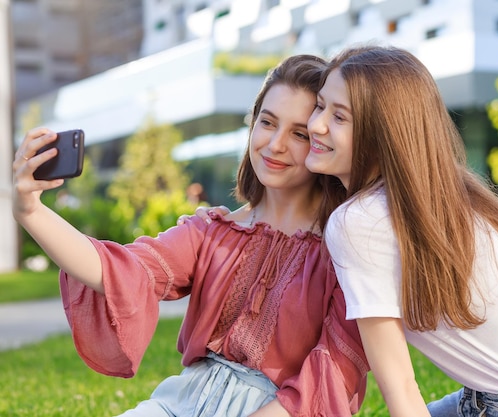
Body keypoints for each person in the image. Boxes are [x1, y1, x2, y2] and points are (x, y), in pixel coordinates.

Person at [12, 54, 368, 417]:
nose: (275, 144)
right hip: (179, 402)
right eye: (268, 122)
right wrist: (30, 209)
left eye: (298, 134)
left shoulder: (343, 247)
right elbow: (122, 269)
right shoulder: (213, 231)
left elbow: (336, 367)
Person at [304, 45, 498, 417]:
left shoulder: (359, 221)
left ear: (383, 134)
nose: (315, 124)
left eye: (339, 117)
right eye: (320, 105)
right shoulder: (437, 197)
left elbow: (401, 388)